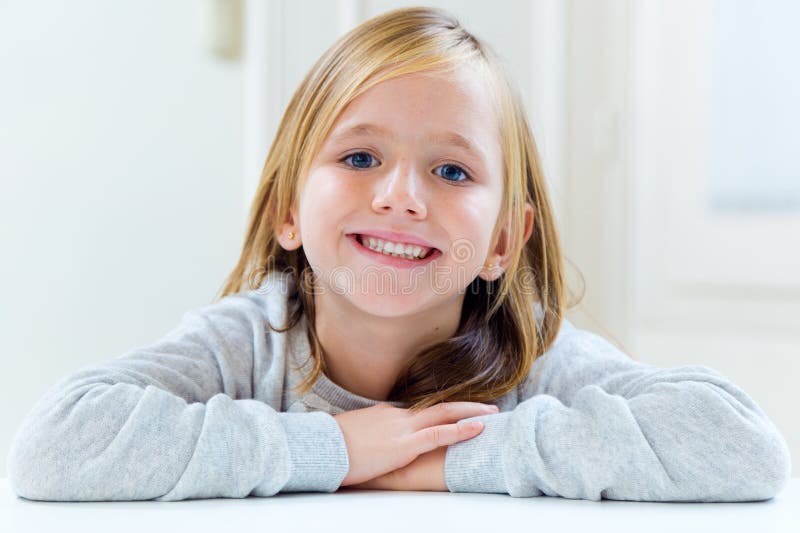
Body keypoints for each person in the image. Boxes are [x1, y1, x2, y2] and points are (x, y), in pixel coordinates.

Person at [6, 6, 791, 503]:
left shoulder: (532, 356)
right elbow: (54, 446)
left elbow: (740, 445)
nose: (401, 196)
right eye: (358, 158)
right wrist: (336, 450)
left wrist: (445, 460)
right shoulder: (249, 343)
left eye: (452, 171)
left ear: (501, 243)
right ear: (287, 209)